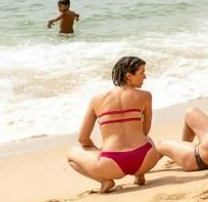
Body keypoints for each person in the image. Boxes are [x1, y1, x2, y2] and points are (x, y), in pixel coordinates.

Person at [67, 55, 162, 192]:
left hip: (111, 164)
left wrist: (97, 151)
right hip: (146, 159)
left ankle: (105, 181)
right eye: (142, 73)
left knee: (71, 154)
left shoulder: (97, 100)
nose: (145, 77)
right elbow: (145, 131)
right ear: (129, 76)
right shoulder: (145, 96)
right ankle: (140, 175)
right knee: (146, 139)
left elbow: (82, 139)